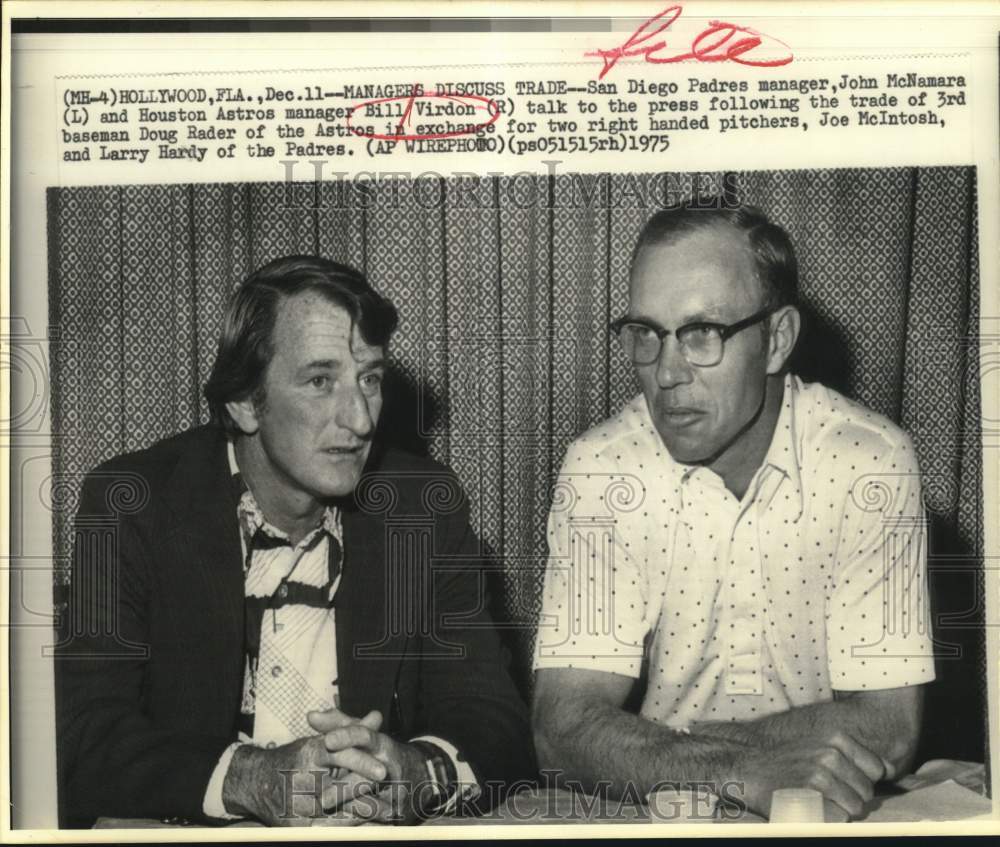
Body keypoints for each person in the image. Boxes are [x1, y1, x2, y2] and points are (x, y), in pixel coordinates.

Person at [56, 256, 533, 827]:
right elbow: (81, 733)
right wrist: (247, 778)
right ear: (242, 401)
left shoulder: (423, 506)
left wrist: (417, 772)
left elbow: (497, 723)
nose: (358, 420)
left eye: (370, 380)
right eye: (320, 381)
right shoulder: (131, 502)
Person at [532, 203, 935, 820]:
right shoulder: (602, 469)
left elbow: (890, 727)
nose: (665, 373)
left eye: (702, 334)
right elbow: (560, 733)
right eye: (647, 333)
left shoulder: (868, 463)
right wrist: (744, 769)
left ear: (777, 340)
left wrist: (659, 748)